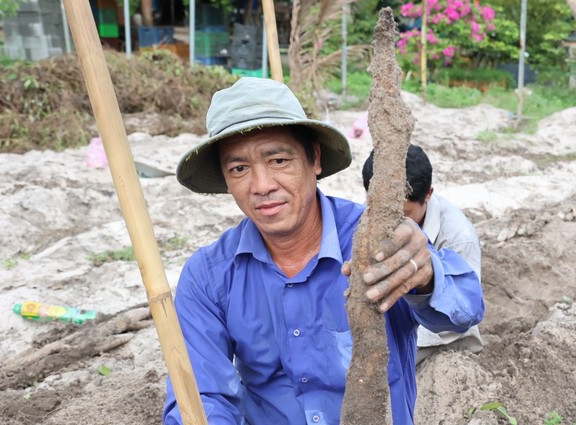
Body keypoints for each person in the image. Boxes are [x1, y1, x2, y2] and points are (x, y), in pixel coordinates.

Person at [163, 77, 484, 425]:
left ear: (314, 158)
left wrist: (427, 277)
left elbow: (464, 310)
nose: (262, 186)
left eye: (278, 160)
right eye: (239, 168)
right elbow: (200, 395)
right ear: (226, 180)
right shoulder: (209, 276)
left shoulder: (376, 240)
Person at [362, 145, 484, 363]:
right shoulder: (369, 212)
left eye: (405, 214)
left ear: (428, 194)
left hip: (439, 337)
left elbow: (464, 310)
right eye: (385, 213)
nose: (394, 223)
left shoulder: (458, 236)